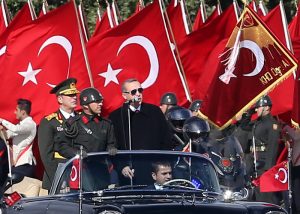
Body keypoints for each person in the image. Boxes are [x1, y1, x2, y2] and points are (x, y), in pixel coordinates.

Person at [109, 78, 172, 178]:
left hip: (154, 170)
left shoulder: (154, 111)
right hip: (130, 172)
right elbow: (112, 145)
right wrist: (122, 166)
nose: (138, 94)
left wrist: (161, 165)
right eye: (134, 92)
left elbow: (166, 140)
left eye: (140, 90)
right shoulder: (116, 116)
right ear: (124, 95)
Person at [38, 78, 80, 191]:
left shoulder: (81, 119)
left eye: (75, 94)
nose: (75, 97)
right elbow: (46, 155)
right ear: (60, 99)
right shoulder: (49, 122)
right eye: (70, 95)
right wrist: (58, 179)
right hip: (60, 172)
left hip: (81, 174)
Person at [240, 95, 281, 204]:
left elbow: (273, 147)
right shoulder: (257, 122)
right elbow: (243, 126)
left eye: (258, 107)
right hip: (253, 160)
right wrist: (250, 112)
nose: (257, 109)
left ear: (266, 107)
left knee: (263, 194)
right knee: (252, 192)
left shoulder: (272, 124)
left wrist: (268, 168)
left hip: (264, 162)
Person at [55, 87, 117, 159]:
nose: (100, 104)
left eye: (100, 101)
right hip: (82, 167)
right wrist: (76, 153)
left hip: (101, 167)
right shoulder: (73, 123)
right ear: (85, 105)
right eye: (97, 102)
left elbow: (111, 144)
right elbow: (62, 146)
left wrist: (111, 148)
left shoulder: (106, 124)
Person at [0, 99, 36, 179]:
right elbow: (7, 135)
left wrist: (1, 121)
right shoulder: (21, 125)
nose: (14, 112)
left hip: (25, 164)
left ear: (23, 112)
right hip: (17, 164)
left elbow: (16, 129)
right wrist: (1, 130)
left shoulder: (30, 124)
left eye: (17, 110)